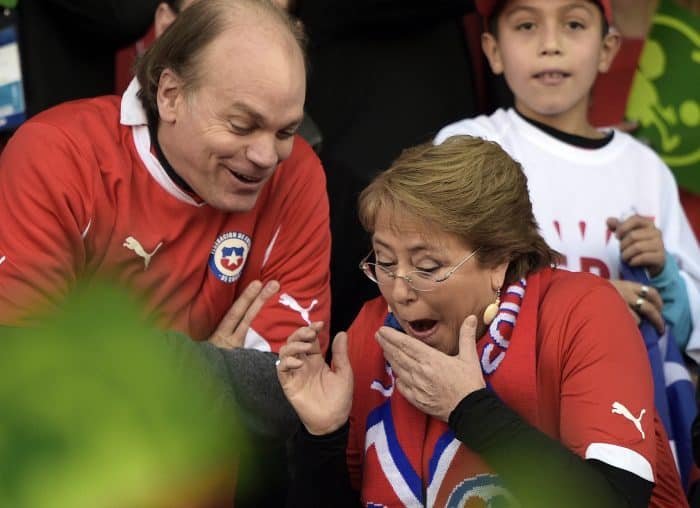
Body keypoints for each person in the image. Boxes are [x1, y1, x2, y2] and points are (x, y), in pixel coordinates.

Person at [0, 0, 330, 502]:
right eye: (243, 125)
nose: (267, 156)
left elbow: (288, 392)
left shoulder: (298, 174)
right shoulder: (56, 155)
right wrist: (213, 367)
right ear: (172, 95)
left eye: (284, 130)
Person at [276, 135, 687, 507]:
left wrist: (469, 409)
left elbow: (616, 499)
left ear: (498, 261)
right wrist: (322, 435)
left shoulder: (583, 312)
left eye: (427, 266)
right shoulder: (374, 329)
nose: (400, 291)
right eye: (384, 262)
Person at [435, 0, 700, 357]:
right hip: (502, 403)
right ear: (493, 51)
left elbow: (687, 332)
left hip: (625, 400)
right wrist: (592, 305)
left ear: (607, 50)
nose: (551, 43)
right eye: (527, 26)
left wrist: (664, 272)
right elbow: (438, 290)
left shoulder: (645, 167)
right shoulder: (468, 146)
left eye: (573, 24)